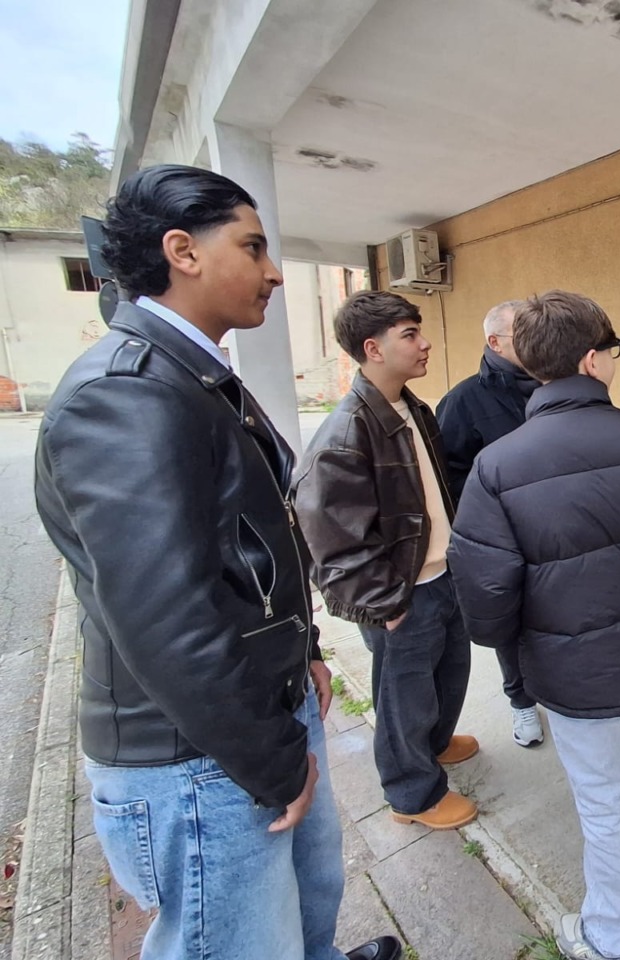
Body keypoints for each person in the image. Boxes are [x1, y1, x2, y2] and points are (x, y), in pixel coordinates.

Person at [33, 165, 400, 960]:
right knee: (239, 940)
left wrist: (300, 653)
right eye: (254, 246)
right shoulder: (124, 396)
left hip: (254, 710)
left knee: (304, 902)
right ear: (182, 251)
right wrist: (272, 758)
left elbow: (248, 546)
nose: (273, 271)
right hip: (198, 753)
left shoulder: (195, 375)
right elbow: (165, 619)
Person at [448, 291, 620, 960]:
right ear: (592, 360)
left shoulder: (498, 466)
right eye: (612, 351)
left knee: (603, 797)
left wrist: (531, 631)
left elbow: (486, 596)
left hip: (566, 665)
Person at [293, 290, 477, 832]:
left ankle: (434, 746)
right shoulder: (346, 432)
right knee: (404, 700)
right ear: (373, 348)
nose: (426, 344)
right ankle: (412, 794)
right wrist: (384, 604)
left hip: (444, 575)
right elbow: (330, 532)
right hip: (403, 594)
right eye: (410, 335)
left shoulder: (412, 407)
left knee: (448, 677)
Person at [435, 299, 545, 747]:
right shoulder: (463, 402)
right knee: (511, 625)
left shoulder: (551, 386)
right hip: (503, 541)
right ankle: (521, 702)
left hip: (555, 532)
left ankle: (552, 689)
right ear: (494, 342)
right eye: (524, 332)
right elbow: (449, 478)